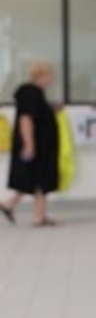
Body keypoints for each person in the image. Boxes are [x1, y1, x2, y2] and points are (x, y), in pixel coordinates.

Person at [3, 60, 60, 226]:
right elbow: (25, 119)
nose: (51, 79)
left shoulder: (36, 93)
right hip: (36, 145)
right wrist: (29, 144)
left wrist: (51, 109)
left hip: (42, 145)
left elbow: (38, 115)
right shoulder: (30, 92)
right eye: (50, 76)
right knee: (38, 178)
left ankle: (33, 213)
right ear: (41, 75)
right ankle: (37, 215)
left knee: (36, 179)